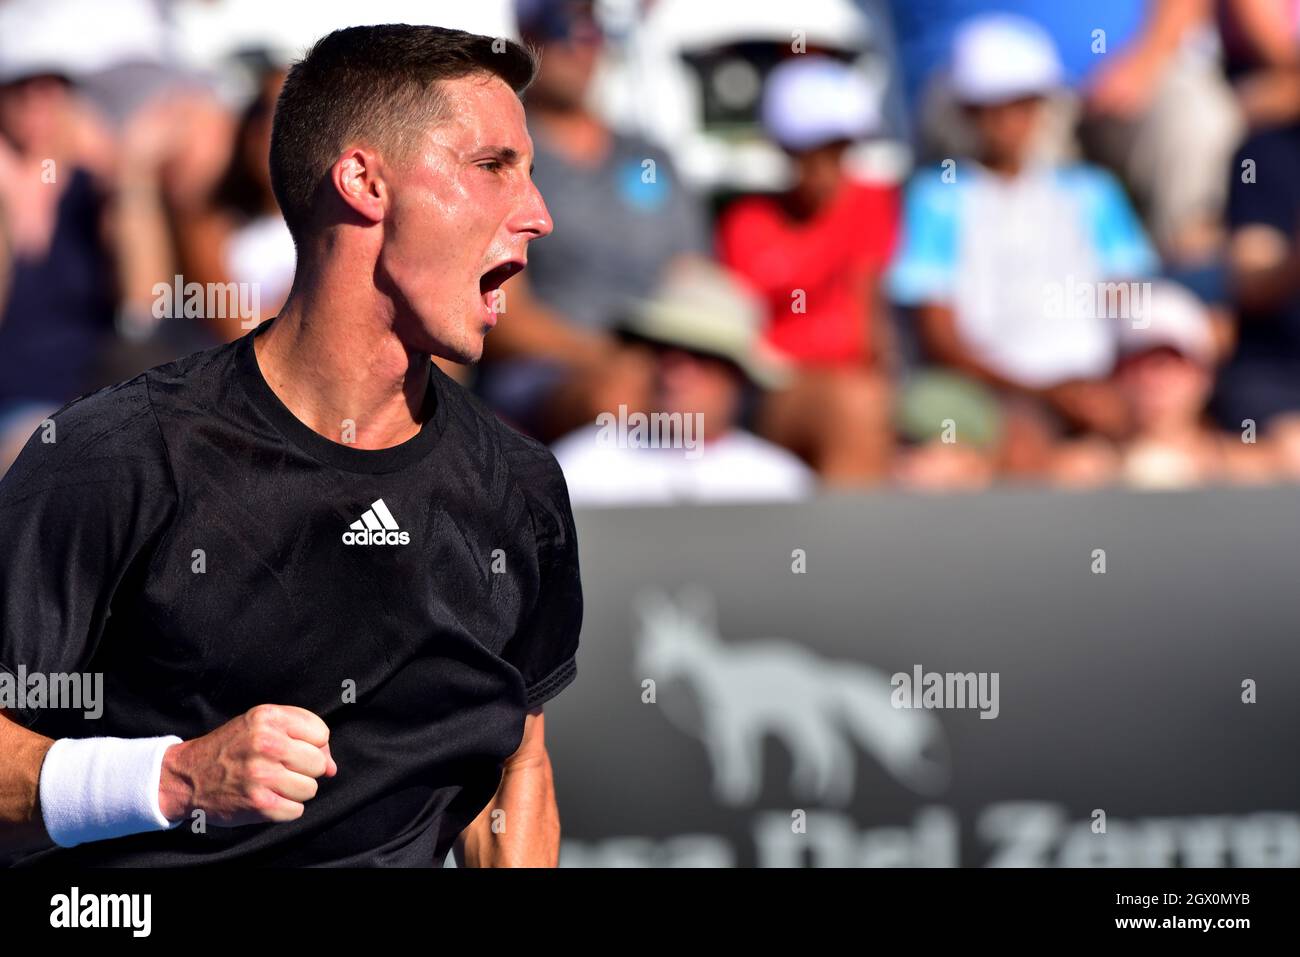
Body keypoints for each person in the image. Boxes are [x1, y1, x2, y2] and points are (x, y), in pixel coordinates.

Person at [0, 25, 582, 868]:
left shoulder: (520, 489)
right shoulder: (115, 455)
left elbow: (516, 764)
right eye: (493, 165)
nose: (537, 214)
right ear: (362, 182)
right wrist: (172, 778)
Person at [889, 14, 1160, 446]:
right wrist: (1043, 394)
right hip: (989, 395)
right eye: (992, 107)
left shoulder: (1093, 192)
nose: (1009, 121)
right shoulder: (935, 200)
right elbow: (940, 337)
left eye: (1023, 104)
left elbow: (1133, 306)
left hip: (1093, 388)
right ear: (966, 112)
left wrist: (1112, 391)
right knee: (1020, 445)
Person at [475, 0, 709, 441]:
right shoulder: (498, 158)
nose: (580, 42)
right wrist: (612, 357)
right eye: (560, 26)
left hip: (664, 368)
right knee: (616, 399)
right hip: (546, 375)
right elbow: (502, 316)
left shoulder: (650, 158)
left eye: (592, 27)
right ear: (526, 37)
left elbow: (695, 279)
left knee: (846, 404)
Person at [717, 55, 898, 484]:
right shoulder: (745, 221)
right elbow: (742, 335)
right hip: (770, 392)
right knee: (857, 405)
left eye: (837, 151)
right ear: (785, 151)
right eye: (809, 153)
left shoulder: (870, 203)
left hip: (855, 386)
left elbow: (870, 317)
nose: (824, 169)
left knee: (866, 403)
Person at [552, 261, 815, 505]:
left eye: (702, 357)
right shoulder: (581, 470)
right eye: (664, 352)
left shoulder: (780, 486)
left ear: (738, 376)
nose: (675, 375)